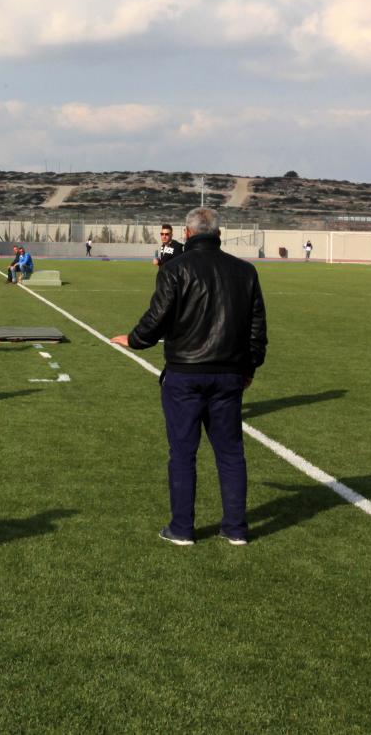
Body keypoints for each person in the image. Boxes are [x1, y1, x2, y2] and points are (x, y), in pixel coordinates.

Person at [111, 207, 268, 547]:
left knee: (183, 452)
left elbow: (157, 317)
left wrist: (135, 340)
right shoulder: (245, 271)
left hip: (184, 373)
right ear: (219, 234)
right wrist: (249, 368)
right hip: (228, 375)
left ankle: (182, 528)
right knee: (230, 453)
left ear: (187, 233)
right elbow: (257, 329)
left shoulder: (176, 269)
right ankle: (235, 529)